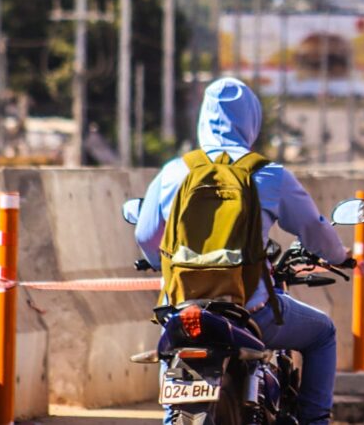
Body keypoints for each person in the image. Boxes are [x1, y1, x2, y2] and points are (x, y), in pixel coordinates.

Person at [136, 77, 348, 425]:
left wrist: (164, 264)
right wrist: (339, 256)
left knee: (174, 363)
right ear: (251, 119)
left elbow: (146, 237)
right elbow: (314, 230)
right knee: (323, 333)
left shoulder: (174, 172)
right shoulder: (268, 175)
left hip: (182, 310)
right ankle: (314, 421)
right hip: (251, 310)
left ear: (203, 117)